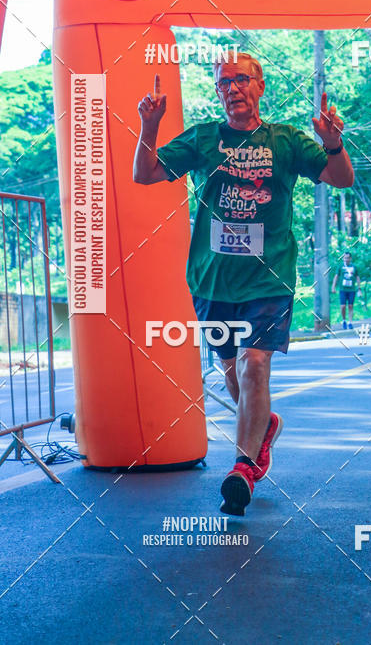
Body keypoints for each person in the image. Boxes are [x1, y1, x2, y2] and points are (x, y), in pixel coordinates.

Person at [133, 55, 354, 516]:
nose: (231, 88)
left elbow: (341, 179)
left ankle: (243, 469)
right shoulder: (204, 138)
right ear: (217, 92)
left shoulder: (287, 140)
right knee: (232, 374)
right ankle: (263, 426)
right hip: (213, 280)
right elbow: (146, 173)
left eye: (240, 79)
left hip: (269, 278)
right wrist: (149, 126)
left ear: (260, 85)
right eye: (222, 82)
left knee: (256, 366)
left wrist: (333, 145)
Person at [331, 251, 361, 329]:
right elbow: (336, 276)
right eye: (345, 258)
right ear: (343, 258)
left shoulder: (354, 267)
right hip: (342, 289)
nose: (346, 259)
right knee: (343, 306)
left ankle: (350, 322)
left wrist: (359, 288)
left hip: (352, 290)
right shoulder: (340, 266)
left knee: (350, 306)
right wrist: (333, 287)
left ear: (350, 258)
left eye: (348, 258)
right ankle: (344, 320)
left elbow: (357, 277)